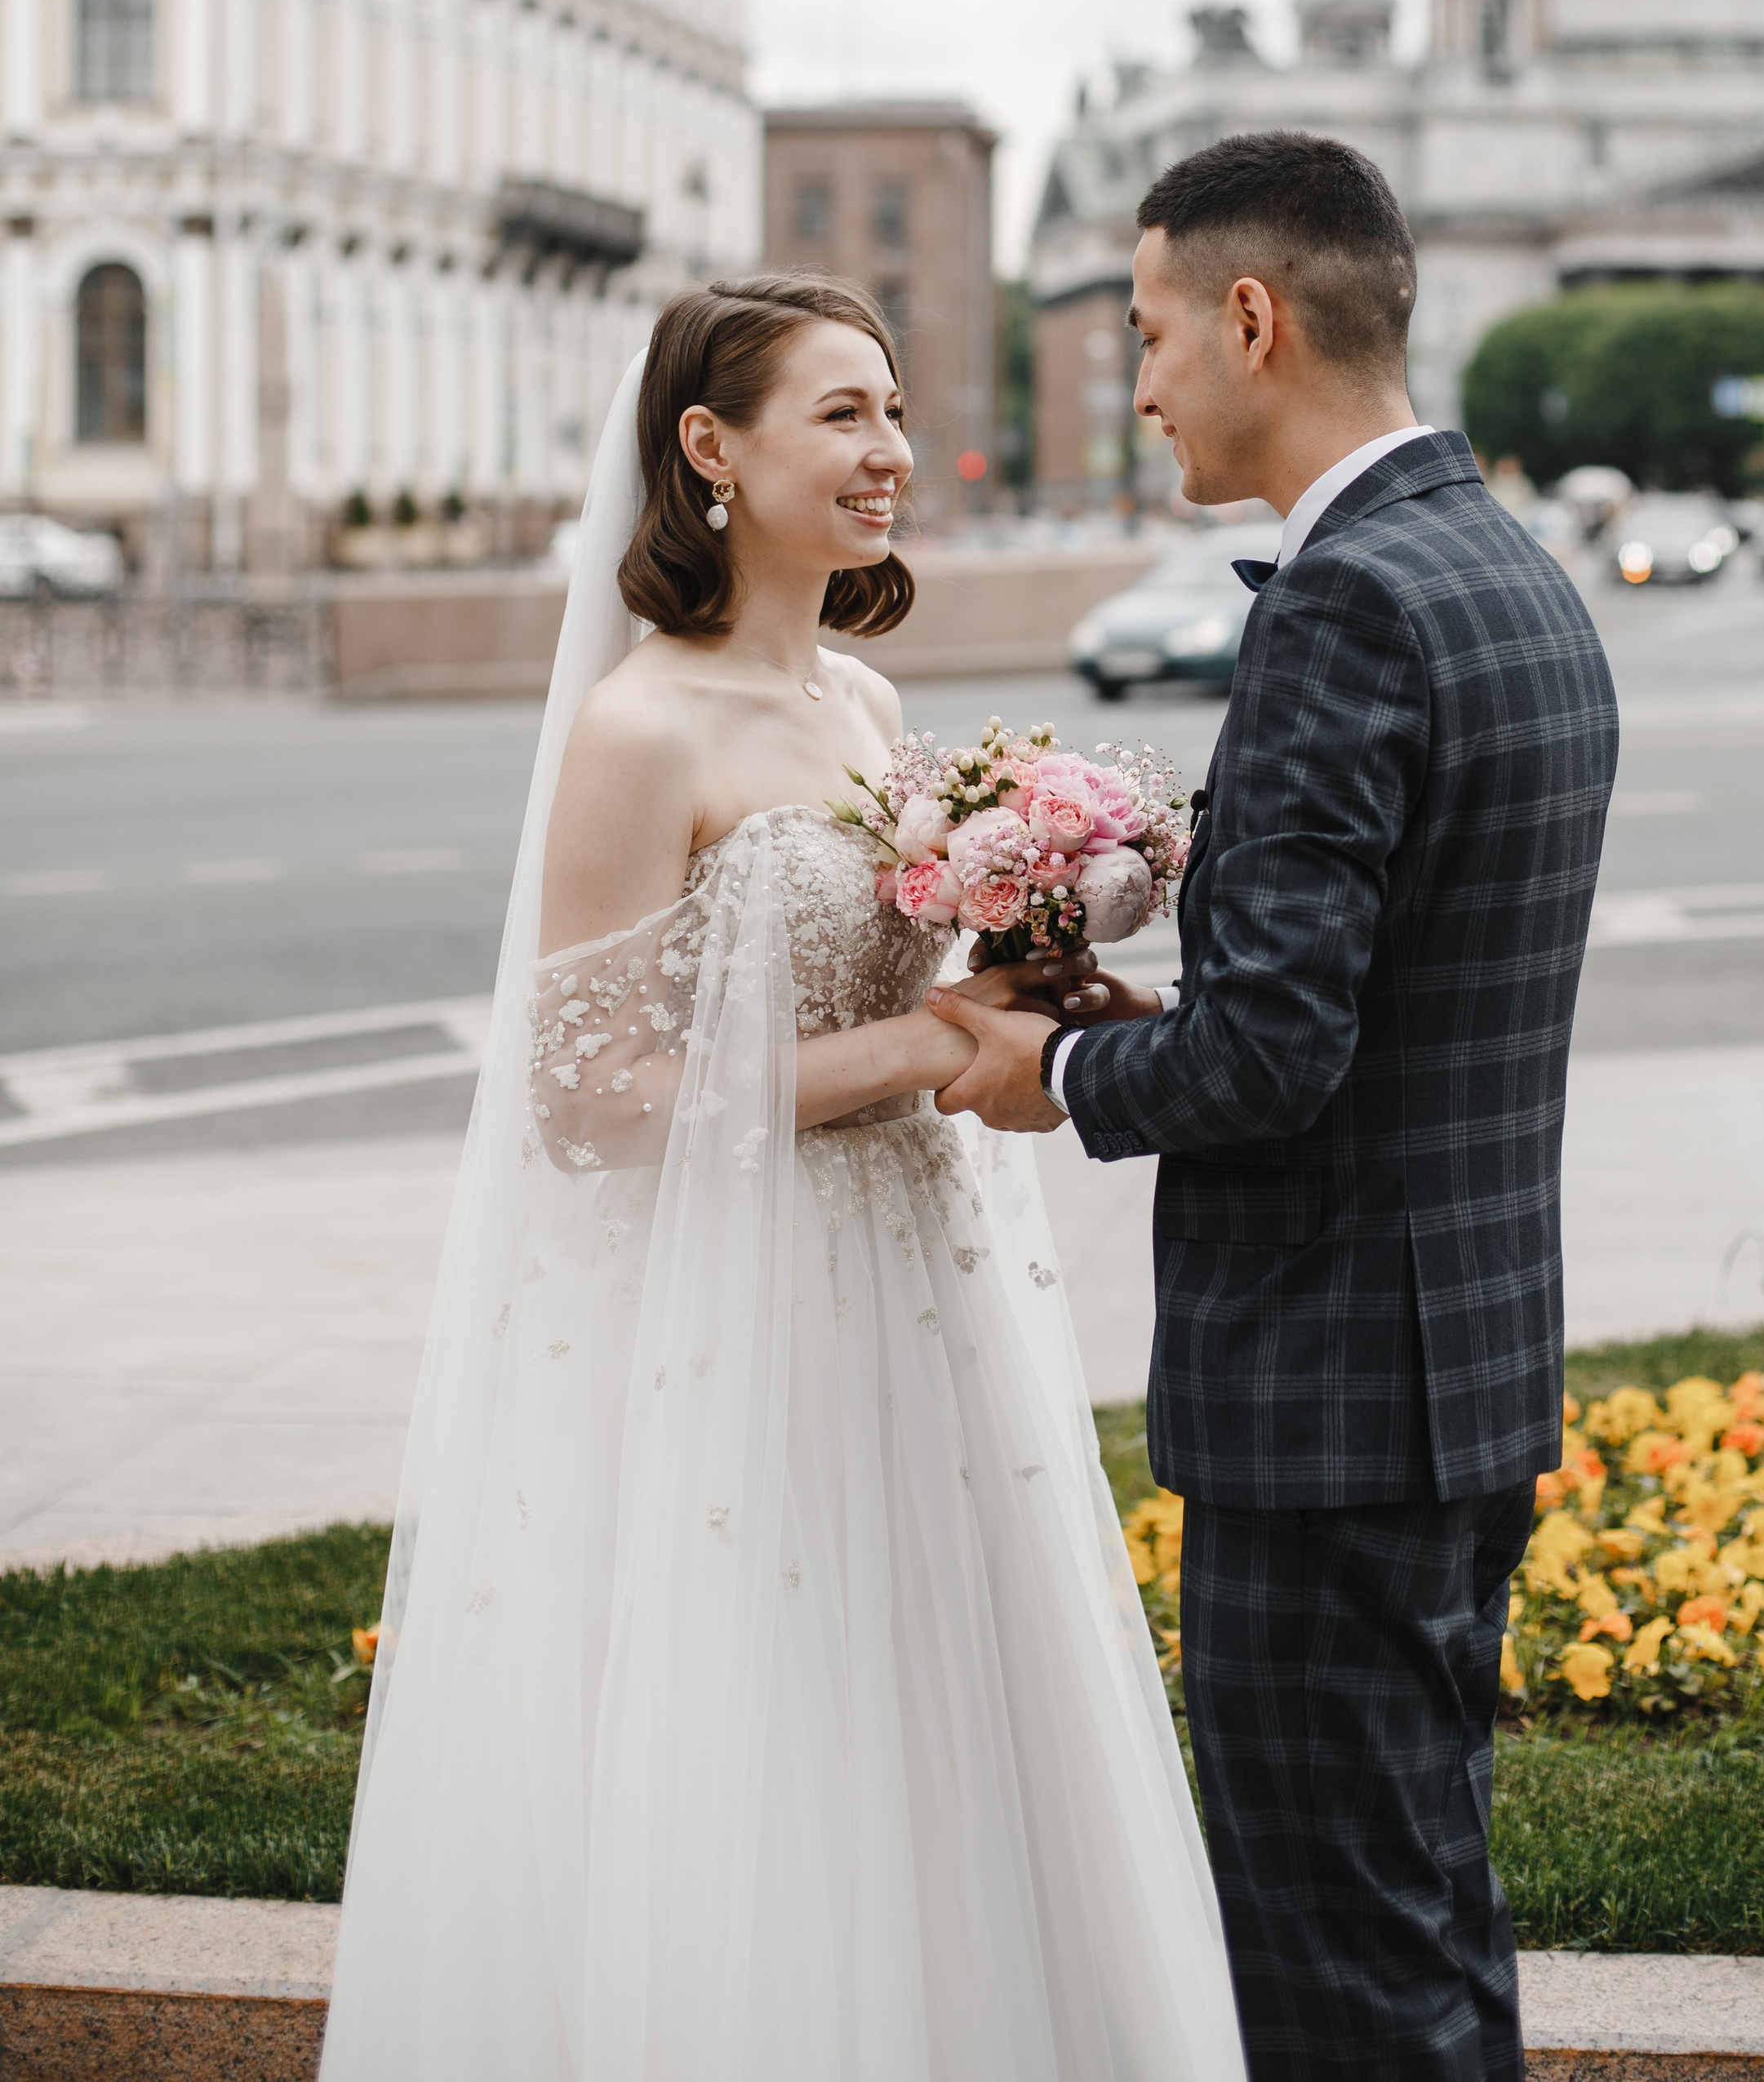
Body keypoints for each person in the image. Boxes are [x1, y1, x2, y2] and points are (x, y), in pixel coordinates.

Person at [321, 276, 1245, 2082]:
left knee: (939, 1704)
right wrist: (919, 1048)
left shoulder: (864, 699)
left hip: (914, 1289)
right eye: (842, 414)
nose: (890, 450)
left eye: (891, 409)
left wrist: (1029, 985)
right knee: (773, 1724)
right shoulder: (638, 728)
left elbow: (884, 983)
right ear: (710, 449)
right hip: (731, 1308)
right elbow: (584, 1101)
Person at [930, 136, 1620, 2082]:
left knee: (1333, 1980)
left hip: (1324, 1404)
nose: (1138, 382)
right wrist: (1166, 1008)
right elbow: (1376, 1006)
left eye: (1149, 332)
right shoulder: (1504, 569)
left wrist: (1053, 1069)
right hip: (1456, 1374)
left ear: (1251, 317)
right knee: (1421, 1919)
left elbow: (1271, 1063)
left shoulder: (1345, 605)